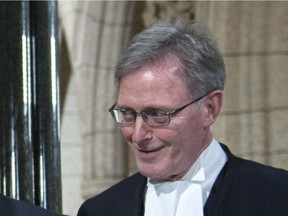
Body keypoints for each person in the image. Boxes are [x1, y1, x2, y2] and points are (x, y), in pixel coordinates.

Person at [77, 20, 288, 216]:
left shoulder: (279, 196)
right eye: (127, 113)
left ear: (210, 108)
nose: (138, 134)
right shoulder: (100, 211)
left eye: (157, 114)